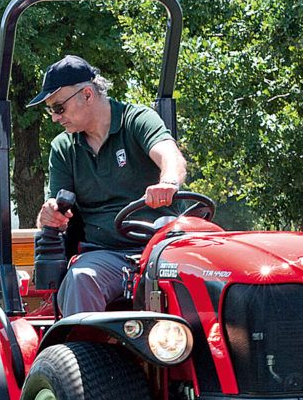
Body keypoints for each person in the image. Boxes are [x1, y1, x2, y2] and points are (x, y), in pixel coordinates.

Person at [29, 55, 188, 315]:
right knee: (82, 277)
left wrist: (168, 182)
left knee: (210, 271)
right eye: (51, 111)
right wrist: (49, 214)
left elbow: (171, 157)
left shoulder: (137, 121)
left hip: (162, 247)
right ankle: (83, 353)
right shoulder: (63, 148)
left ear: (87, 95)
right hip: (108, 254)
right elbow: (56, 209)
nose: (56, 118)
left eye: (59, 108)